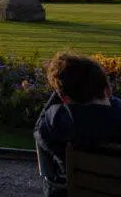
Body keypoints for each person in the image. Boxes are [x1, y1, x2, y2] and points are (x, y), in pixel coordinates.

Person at [35, 53, 121, 197]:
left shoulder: (56, 121)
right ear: (107, 90)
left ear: (64, 98)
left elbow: (39, 131)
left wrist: (57, 96)